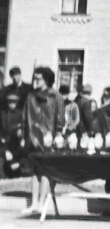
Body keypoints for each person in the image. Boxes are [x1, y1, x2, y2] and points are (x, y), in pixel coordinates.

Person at [22, 66, 64, 214]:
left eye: (38, 78)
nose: (35, 81)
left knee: (45, 170)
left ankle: (41, 203)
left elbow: (60, 118)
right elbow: (25, 118)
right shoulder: (31, 96)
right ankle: (34, 204)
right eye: (35, 78)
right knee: (34, 171)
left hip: (48, 139)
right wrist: (25, 137)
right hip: (33, 138)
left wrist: (57, 135)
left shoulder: (56, 96)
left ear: (46, 79)